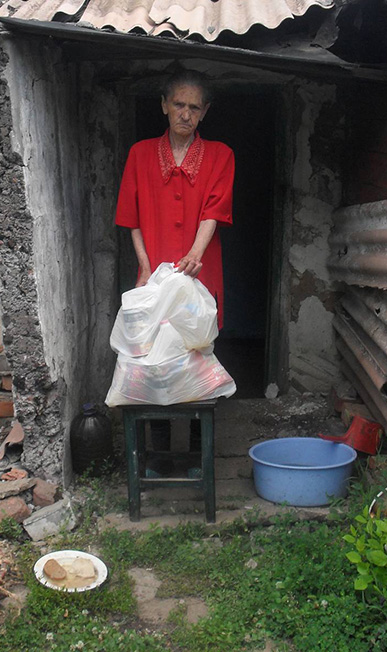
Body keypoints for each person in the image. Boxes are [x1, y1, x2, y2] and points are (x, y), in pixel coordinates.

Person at [115, 68, 235, 473]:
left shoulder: (221, 155)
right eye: (179, 104)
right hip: (155, 277)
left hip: (201, 272)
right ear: (164, 106)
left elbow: (214, 210)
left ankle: (198, 456)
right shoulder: (140, 153)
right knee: (155, 361)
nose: (185, 113)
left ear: (205, 113)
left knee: (199, 357)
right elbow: (131, 216)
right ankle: (161, 455)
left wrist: (195, 257)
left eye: (194, 108)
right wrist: (146, 264)